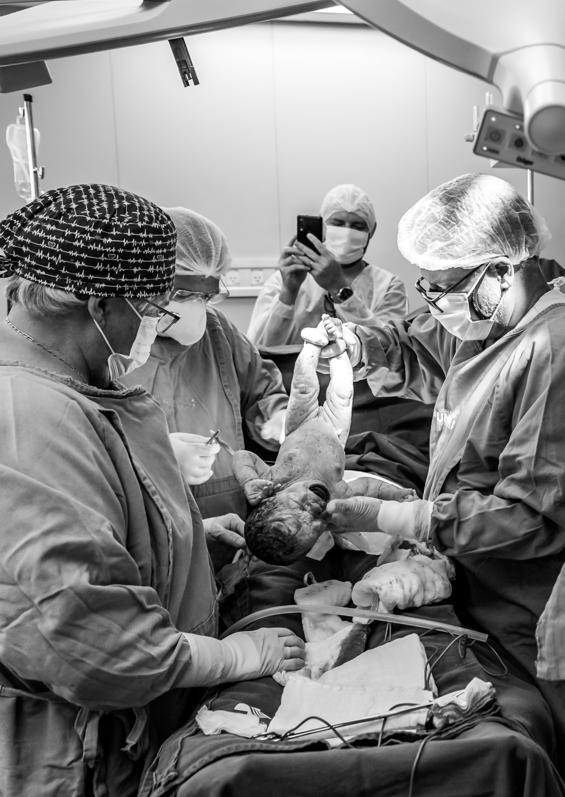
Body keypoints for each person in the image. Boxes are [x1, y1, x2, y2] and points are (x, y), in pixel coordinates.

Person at [318, 174, 565, 797]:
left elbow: (534, 516)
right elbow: (416, 341)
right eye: (427, 285)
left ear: (500, 268)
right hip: (494, 592)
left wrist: (401, 518)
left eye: (442, 286)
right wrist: (359, 344)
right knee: (534, 756)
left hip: (549, 607)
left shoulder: (560, 351)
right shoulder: (490, 318)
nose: (433, 300)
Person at [0, 184, 304, 797]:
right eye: (153, 308)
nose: (158, 324)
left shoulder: (69, 387)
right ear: (96, 302)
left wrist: (181, 542)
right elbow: (97, 646)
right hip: (77, 749)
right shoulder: (31, 418)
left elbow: (92, 535)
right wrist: (240, 657)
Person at [120, 207, 288, 520]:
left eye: (206, 297)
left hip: (227, 505)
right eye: (185, 296)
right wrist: (158, 454)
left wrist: (278, 415)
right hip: (153, 512)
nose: (199, 307)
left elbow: (261, 388)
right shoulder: (116, 341)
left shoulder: (217, 329)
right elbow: (92, 436)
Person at [247, 183, 408, 346]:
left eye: (358, 226)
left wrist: (340, 289)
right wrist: (288, 293)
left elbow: (391, 348)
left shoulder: (388, 286)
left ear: (371, 230)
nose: (346, 233)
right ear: (322, 226)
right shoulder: (285, 279)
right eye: (337, 223)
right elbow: (259, 350)